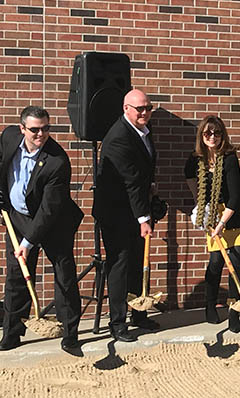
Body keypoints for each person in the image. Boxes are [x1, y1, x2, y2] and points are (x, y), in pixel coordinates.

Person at [0, 106, 84, 353]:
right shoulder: (10, 137)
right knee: (16, 275)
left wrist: (27, 243)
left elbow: (49, 209)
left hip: (54, 222)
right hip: (17, 218)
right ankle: (12, 332)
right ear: (22, 129)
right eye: (34, 130)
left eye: (46, 129)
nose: (41, 134)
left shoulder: (57, 160)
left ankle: (69, 333)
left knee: (64, 274)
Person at [93, 89, 160, 342]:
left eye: (148, 108)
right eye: (139, 108)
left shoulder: (143, 131)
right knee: (120, 265)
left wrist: (152, 188)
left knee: (137, 264)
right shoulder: (119, 137)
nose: (144, 113)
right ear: (126, 109)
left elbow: (143, 172)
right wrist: (143, 218)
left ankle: (139, 314)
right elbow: (131, 181)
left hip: (135, 208)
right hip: (117, 213)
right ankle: (118, 323)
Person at [185, 116, 240, 332]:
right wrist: (201, 204)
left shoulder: (230, 158)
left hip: (238, 213)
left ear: (223, 135)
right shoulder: (196, 159)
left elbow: (235, 197)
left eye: (217, 133)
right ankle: (210, 304)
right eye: (208, 133)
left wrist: (221, 224)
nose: (212, 137)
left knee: (237, 260)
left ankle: (235, 310)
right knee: (216, 261)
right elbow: (189, 175)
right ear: (201, 136)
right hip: (215, 213)